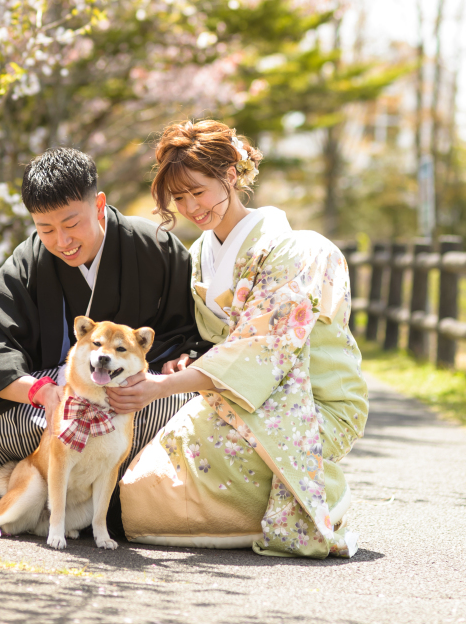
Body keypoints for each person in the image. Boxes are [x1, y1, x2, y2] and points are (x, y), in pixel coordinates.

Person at [115, 119, 368, 558]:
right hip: (243, 395)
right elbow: (205, 339)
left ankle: (321, 497)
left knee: (169, 487)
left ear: (230, 176)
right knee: (145, 490)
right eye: (180, 197)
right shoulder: (198, 256)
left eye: (199, 191)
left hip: (312, 400)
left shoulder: (292, 250)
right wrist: (184, 360)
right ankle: (259, 509)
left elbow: (261, 347)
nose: (191, 207)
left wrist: (166, 385)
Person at [0, 147, 207, 520]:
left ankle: (110, 512)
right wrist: (42, 393)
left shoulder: (155, 247)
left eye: (71, 224)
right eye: (45, 228)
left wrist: (182, 360)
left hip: (136, 398)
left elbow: (193, 330)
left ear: (99, 206)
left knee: (176, 411)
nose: (61, 241)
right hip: (50, 397)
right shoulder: (27, 262)